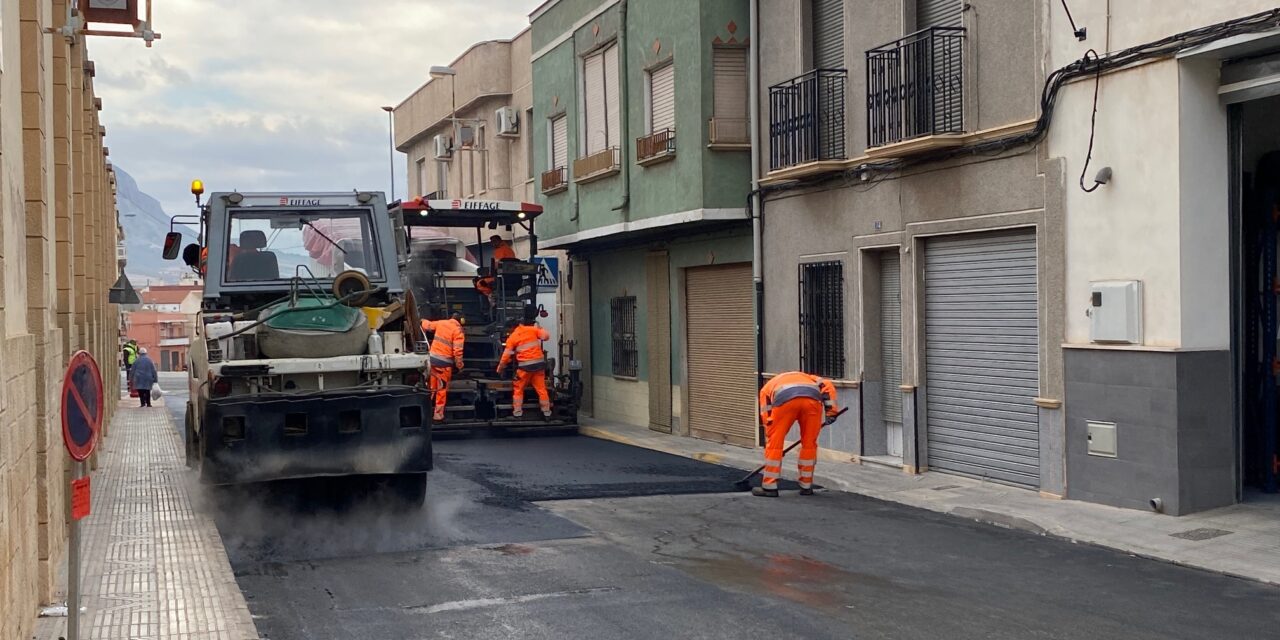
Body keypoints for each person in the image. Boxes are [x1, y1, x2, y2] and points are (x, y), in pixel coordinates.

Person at [754, 371, 841, 497]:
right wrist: (831, 412)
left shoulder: (768, 387)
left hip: (784, 401)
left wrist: (771, 432)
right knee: (809, 444)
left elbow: (765, 412)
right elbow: (828, 386)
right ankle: (806, 486)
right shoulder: (811, 378)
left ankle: (770, 487)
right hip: (812, 401)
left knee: (774, 445)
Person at [496, 308, 552, 420]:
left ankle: (517, 413)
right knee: (541, 389)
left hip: (524, 368)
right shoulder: (532, 329)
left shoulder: (512, 337)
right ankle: (546, 412)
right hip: (539, 365)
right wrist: (539, 329)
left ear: (511, 328)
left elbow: (506, 356)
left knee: (518, 388)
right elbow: (546, 337)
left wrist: (500, 368)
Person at [420, 312, 465, 423]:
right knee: (441, 390)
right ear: (461, 322)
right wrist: (460, 366)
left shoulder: (442, 323)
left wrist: (421, 320)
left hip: (432, 361)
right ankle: (438, 416)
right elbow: (457, 352)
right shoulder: (458, 331)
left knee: (431, 388)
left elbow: (427, 325)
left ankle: (425, 412)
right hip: (444, 364)